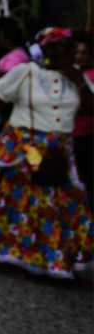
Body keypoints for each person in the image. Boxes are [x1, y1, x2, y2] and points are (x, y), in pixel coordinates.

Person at [0, 28, 93, 279]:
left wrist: (76, 78)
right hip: (25, 148)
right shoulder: (26, 72)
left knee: (58, 206)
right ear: (49, 49)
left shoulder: (78, 78)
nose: (73, 51)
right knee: (27, 203)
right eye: (66, 46)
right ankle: (14, 255)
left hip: (59, 152)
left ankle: (51, 257)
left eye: (74, 47)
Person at [72, 37, 94, 208]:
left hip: (85, 134)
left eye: (84, 53)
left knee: (85, 179)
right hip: (73, 133)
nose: (79, 56)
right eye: (77, 52)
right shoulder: (76, 73)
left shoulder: (89, 75)